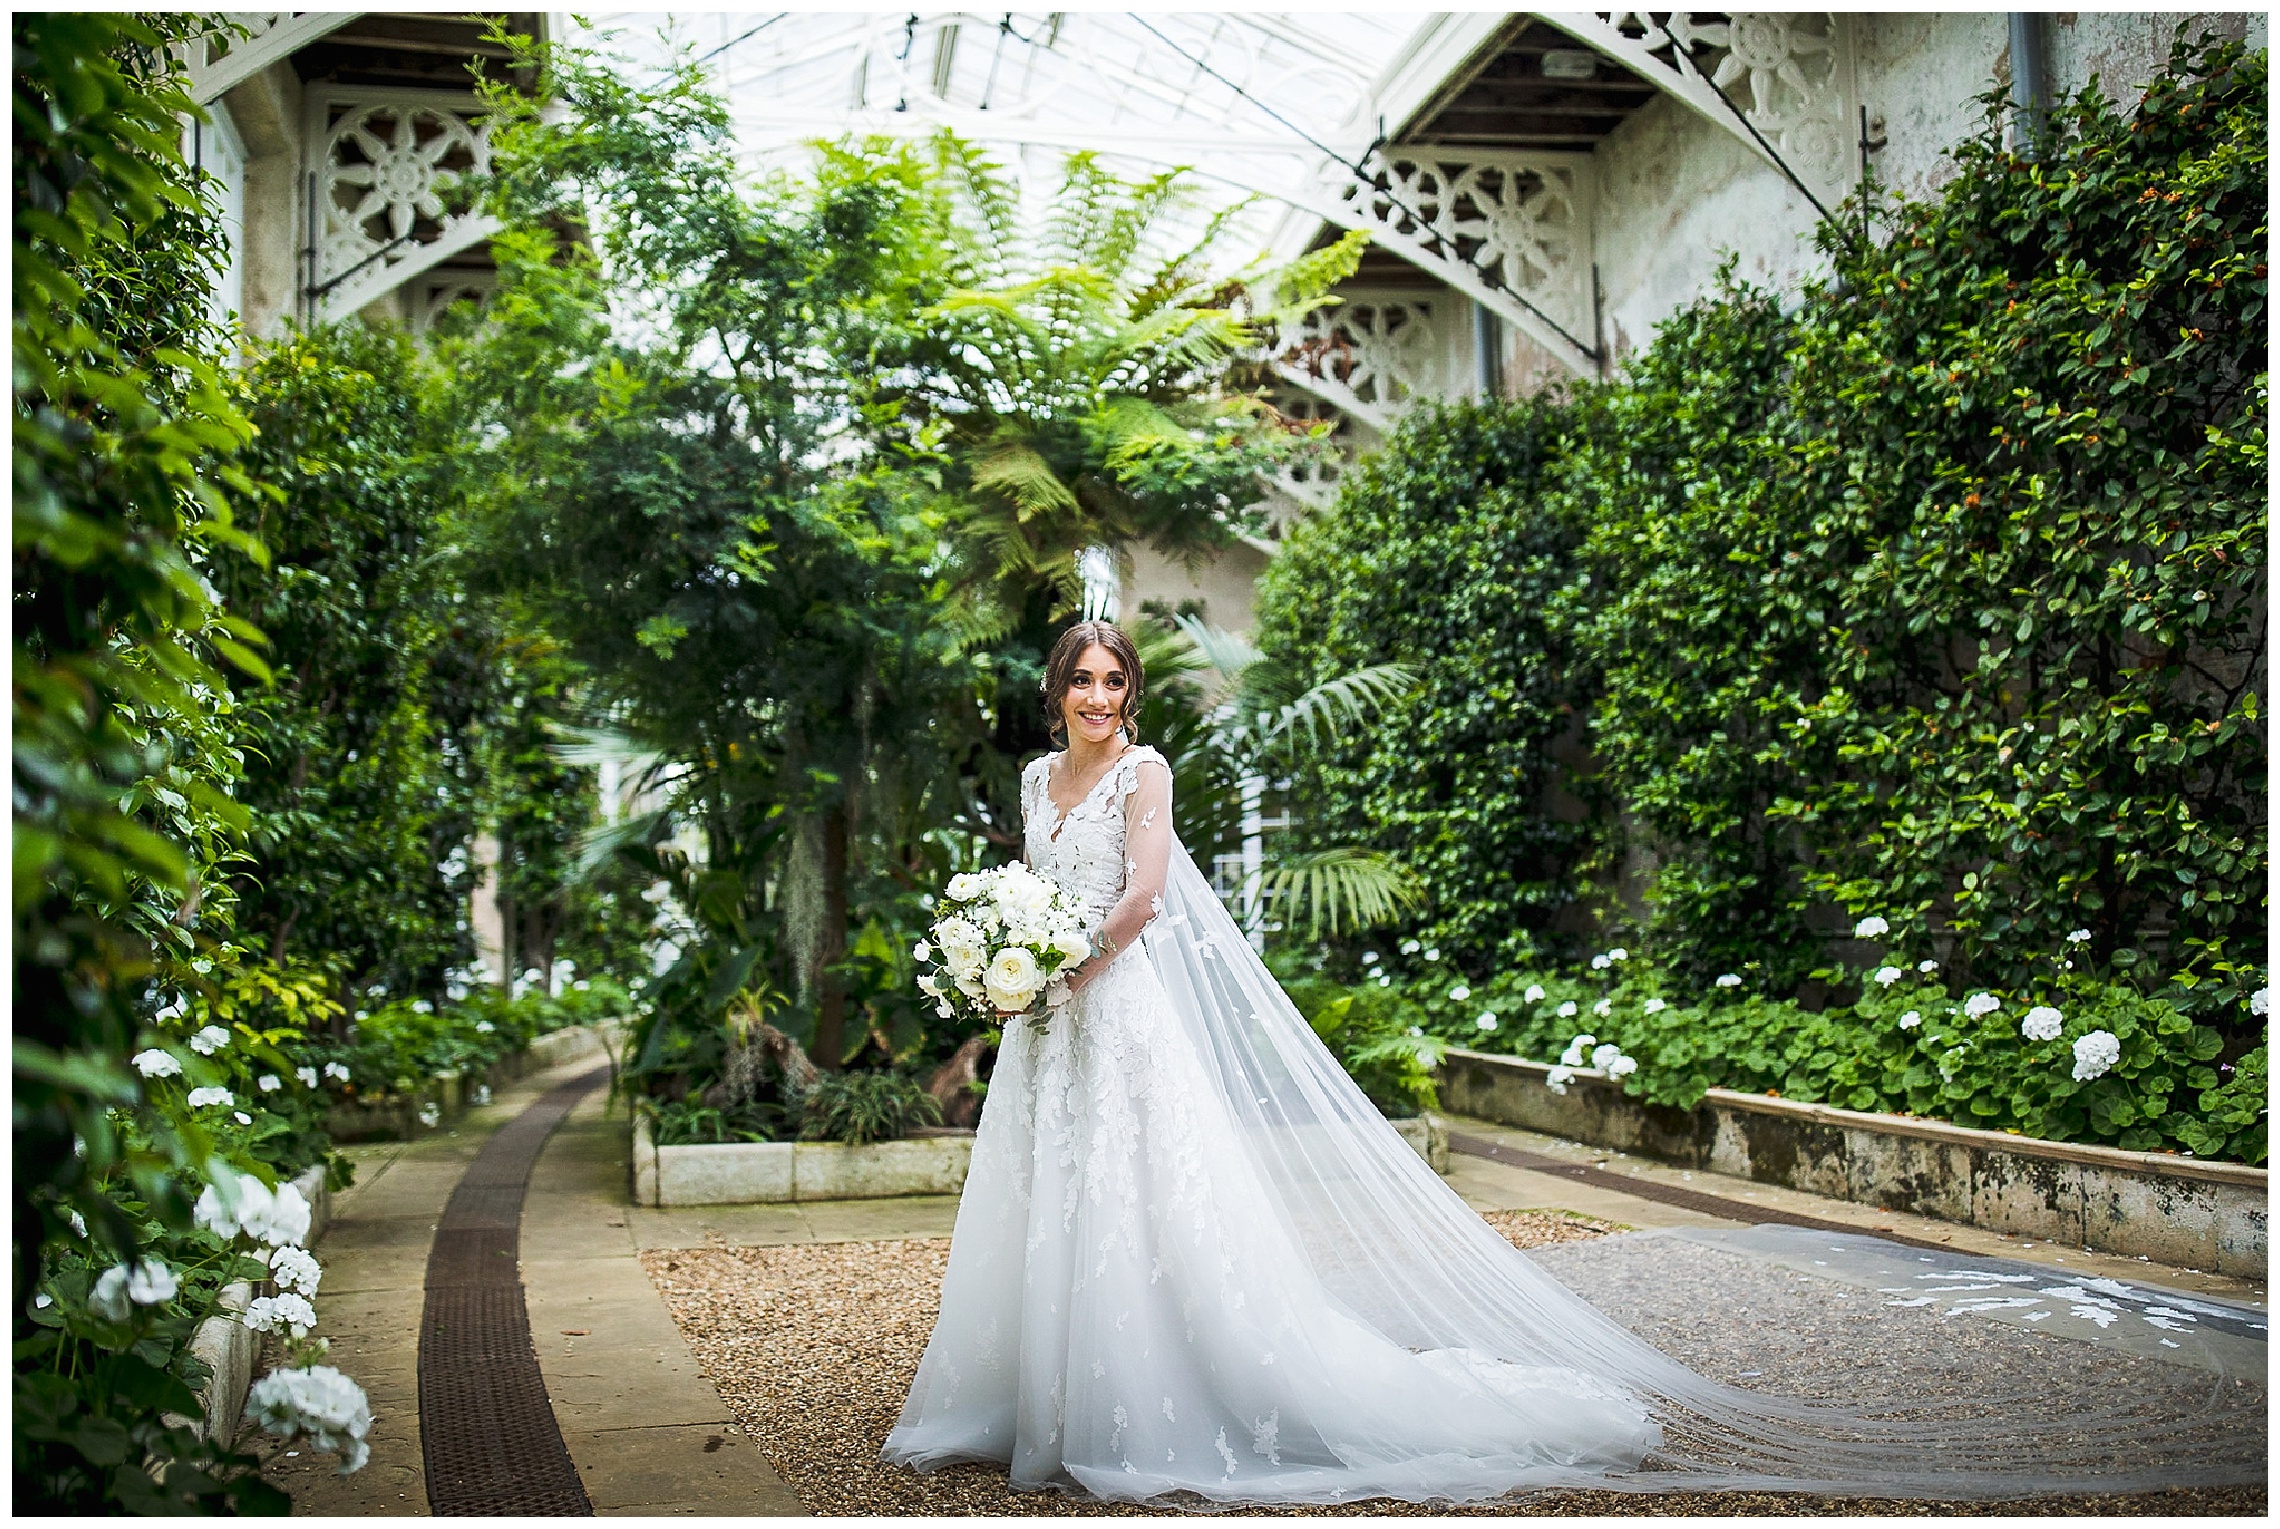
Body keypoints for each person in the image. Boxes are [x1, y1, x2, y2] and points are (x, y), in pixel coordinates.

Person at [881, 620, 2257, 1508]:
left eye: (1116, 680)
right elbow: (1032, 884)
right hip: (1047, 1032)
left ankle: (1153, 1390)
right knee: (1053, 1199)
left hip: (1116, 1017)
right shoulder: (1027, 782)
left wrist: (1064, 964)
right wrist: (1003, 959)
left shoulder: (1148, 771)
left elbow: (1137, 899)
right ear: (1053, 692)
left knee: (1141, 1198)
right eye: (1083, 680)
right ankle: (1038, 1396)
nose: (1102, 698)